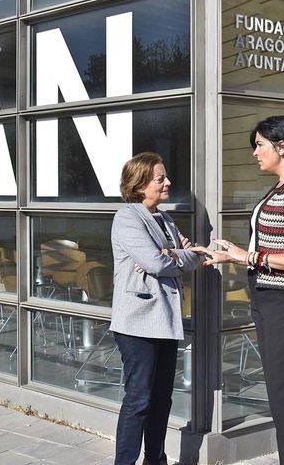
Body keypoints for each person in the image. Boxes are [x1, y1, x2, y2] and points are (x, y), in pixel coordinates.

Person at [194, 115, 284, 464]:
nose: (255, 153)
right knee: (280, 397)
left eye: (259, 145)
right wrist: (232, 256)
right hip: (271, 299)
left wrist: (247, 255)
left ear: (281, 146)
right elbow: (274, 246)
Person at [110, 151, 200, 465]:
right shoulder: (127, 217)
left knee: (162, 399)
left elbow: (187, 258)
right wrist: (172, 256)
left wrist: (172, 254)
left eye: (164, 177)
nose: (167, 183)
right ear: (139, 185)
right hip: (137, 323)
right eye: (160, 178)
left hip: (165, 320)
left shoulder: (166, 219)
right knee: (139, 399)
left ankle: (156, 460)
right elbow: (155, 261)